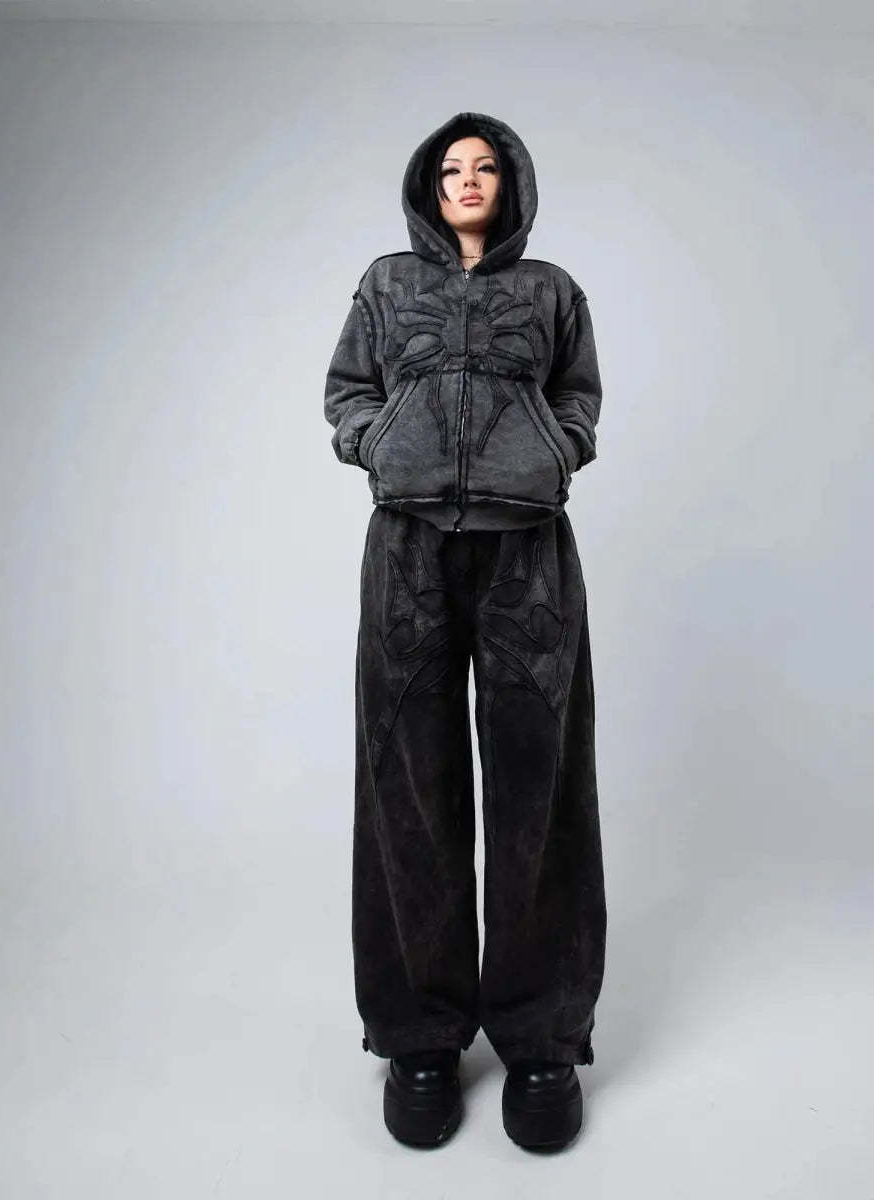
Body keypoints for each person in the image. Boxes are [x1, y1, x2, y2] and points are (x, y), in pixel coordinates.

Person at [324, 111, 607, 1150]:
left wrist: (555, 450)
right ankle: (420, 1038)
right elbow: (347, 390)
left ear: (512, 183)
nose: (470, 181)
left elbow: (578, 397)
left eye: (487, 168)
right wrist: (378, 442)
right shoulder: (387, 284)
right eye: (454, 169)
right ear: (429, 187)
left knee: (541, 789)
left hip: (528, 553)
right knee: (408, 788)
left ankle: (541, 1039)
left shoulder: (553, 290)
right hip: (407, 552)